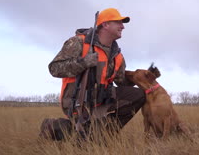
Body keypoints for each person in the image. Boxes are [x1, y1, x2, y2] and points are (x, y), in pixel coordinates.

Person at [44, 8, 145, 140]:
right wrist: (83, 63)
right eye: (118, 22)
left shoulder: (117, 55)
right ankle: (53, 126)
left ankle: (104, 133)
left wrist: (144, 79)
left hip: (102, 99)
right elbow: (54, 69)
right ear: (105, 24)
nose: (123, 27)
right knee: (82, 142)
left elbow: (122, 82)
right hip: (78, 102)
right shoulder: (78, 42)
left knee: (138, 95)